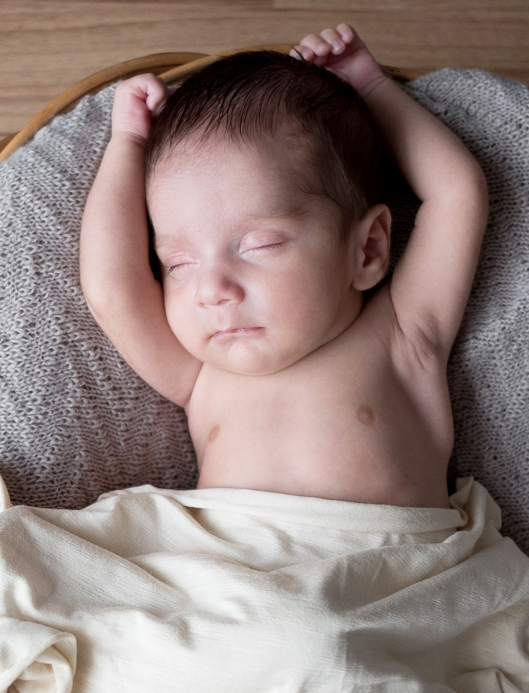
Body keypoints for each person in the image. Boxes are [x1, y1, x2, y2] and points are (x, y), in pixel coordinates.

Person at [79, 23, 488, 510]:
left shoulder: (403, 333)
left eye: (259, 245)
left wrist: (372, 88)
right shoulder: (199, 375)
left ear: (368, 251)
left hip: (397, 578)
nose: (212, 289)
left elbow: (456, 195)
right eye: (179, 262)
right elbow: (112, 286)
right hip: (231, 582)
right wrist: (126, 143)